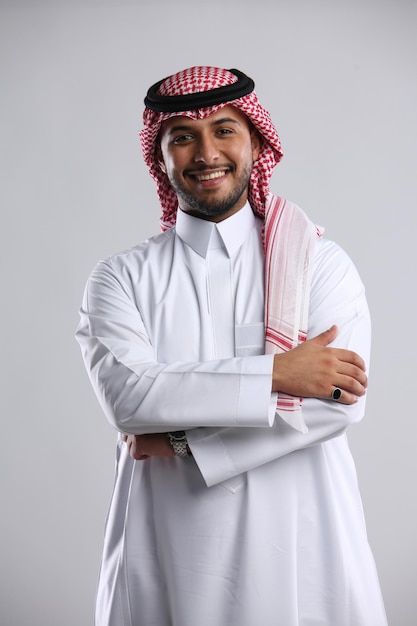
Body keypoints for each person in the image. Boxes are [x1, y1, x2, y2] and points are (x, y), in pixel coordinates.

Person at [75, 66, 387, 625]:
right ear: (160, 158)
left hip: (302, 540)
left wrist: (183, 441)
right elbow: (129, 397)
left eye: (224, 130)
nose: (206, 153)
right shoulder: (120, 278)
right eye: (183, 137)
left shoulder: (319, 263)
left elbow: (339, 404)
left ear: (257, 143)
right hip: (166, 542)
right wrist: (278, 375)